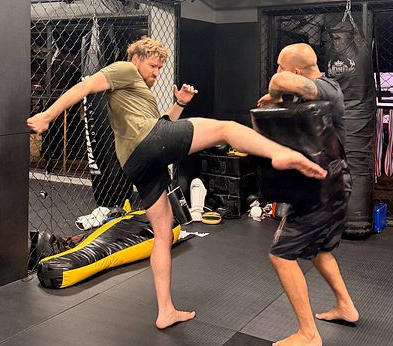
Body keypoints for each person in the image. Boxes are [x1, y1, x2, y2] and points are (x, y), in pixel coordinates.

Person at [27, 37, 326, 330]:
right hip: (147, 145)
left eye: (160, 68)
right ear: (136, 59)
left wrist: (179, 104)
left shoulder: (137, 92)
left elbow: (164, 127)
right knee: (227, 128)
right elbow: (85, 87)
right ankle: (283, 154)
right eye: (153, 66)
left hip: (139, 160)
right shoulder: (124, 69)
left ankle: (165, 310)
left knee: (163, 232)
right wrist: (47, 115)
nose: (156, 73)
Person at [257, 43, 359, 346]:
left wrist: (275, 92)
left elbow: (279, 83)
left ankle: (308, 334)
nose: (276, 72)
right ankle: (345, 306)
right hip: (330, 185)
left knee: (281, 254)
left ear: (297, 72)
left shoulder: (327, 89)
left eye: (280, 65)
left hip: (322, 190)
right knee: (320, 251)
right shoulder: (309, 97)